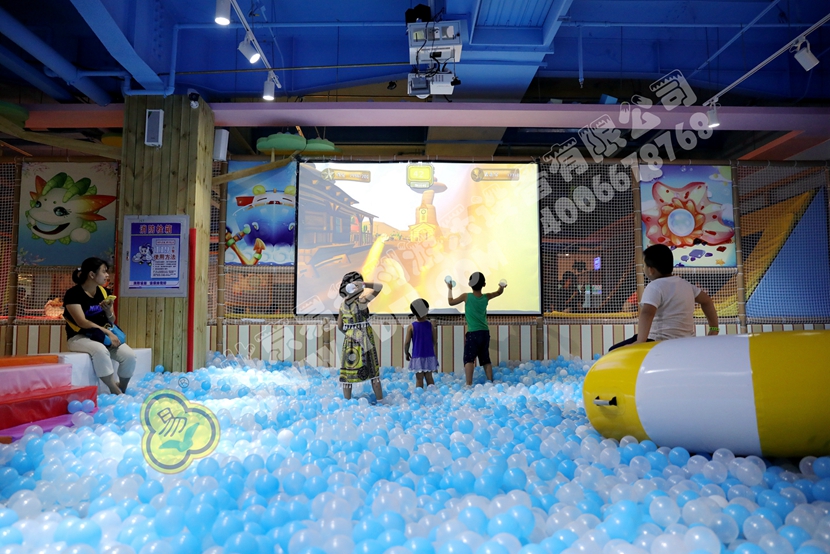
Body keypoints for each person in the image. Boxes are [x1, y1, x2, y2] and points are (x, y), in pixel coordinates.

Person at [609, 244, 719, 351]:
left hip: (659, 340)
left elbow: (647, 313)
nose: (643, 268)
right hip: (686, 341)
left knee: (613, 351)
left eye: (644, 265)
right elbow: (707, 301)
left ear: (651, 270)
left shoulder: (655, 286)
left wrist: (640, 341)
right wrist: (714, 328)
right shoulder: (686, 285)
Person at [64, 257, 135, 394]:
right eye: (104, 271)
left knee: (129, 356)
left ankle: (123, 387)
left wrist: (108, 311)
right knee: (100, 350)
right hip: (79, 337)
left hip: (103, 337)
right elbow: (82, 322)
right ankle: (114, 390)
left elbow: (112, 319)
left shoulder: (104, 292)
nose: (107, 275)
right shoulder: (73, 294)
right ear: (92, 274)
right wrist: (108, 333)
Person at [447, 271, 506, 386]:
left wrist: (449, 288)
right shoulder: (486, 297)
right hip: (484, 333)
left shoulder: (466, 296)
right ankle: (490, 381)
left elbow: (451, 302)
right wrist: (501, 286)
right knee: (485, 359)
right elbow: (499, 292)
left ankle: (469, 383)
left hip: (473, 333)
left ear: (470, 284)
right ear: (484, 284)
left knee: (469, 359)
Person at [337, 271, 384, 401]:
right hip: (365, 340)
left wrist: (350, 334)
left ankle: (347, 402)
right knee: (373, 373)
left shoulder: (342, 306)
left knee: (347, 374)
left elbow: (340, 326)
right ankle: (381, 401)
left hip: (350, 342)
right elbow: (379, 287)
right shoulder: (362, 302)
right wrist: (363, 284)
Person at [404, 298, 439, 389]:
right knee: (429, 377)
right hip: (429, 356)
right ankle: (433, 394)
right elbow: (435, 340)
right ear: (426, 311)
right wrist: (430, 348)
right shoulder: (430, 325)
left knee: (419, 379)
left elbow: (407, 342)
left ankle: (419, 395)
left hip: (417, 356)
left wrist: (406, 352)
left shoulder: (411, 326)